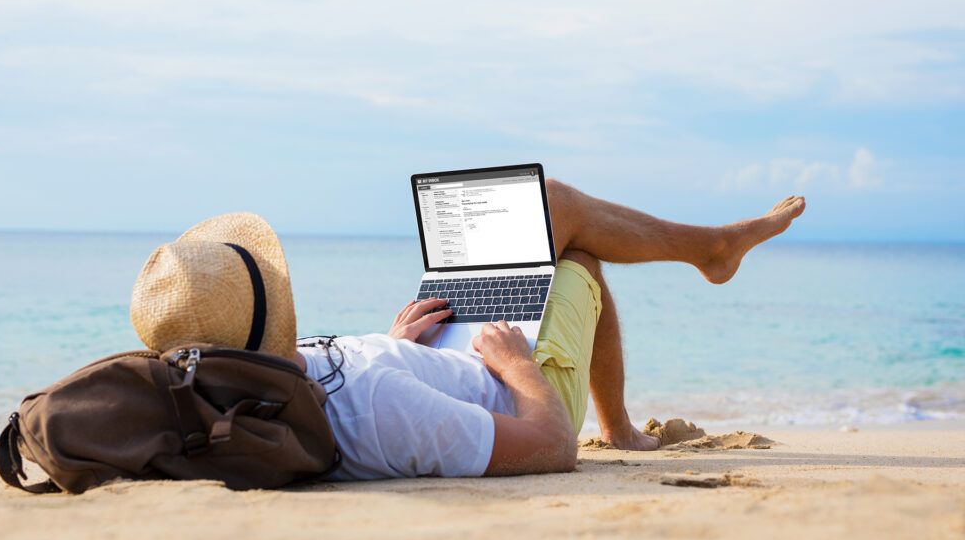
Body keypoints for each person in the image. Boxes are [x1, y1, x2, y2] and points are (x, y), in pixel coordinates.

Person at [129, 180, 805, 480]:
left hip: (428, 354)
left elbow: (345, 378)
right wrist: (516, 368)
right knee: (575, 247)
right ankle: (708, 257)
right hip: (520, 389)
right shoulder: (382, 409)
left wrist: (390, 342)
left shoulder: (252, 382)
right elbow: (547, 450)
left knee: (552, 216)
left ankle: (710, 250)